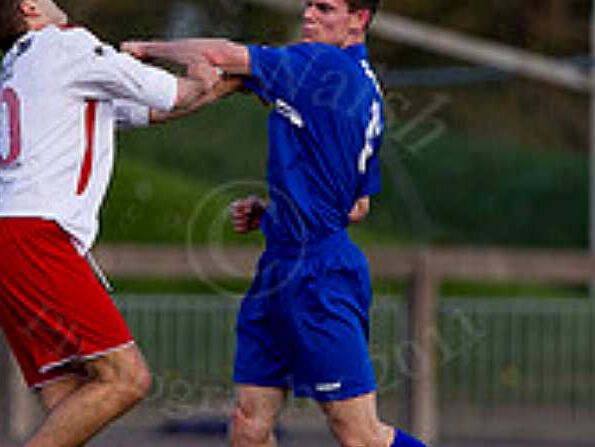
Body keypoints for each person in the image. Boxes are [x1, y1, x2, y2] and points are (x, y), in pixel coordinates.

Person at [121, 1, 428, 446]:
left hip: (321, 274)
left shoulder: (324, 64)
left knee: (359, 434)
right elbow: (357, 206)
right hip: (280, 267)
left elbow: (224, 56)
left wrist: (147, 49)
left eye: (324, 8)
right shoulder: (354, 85)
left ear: (358, 20)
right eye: (307, 5)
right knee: (249, 426)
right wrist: (276, 210)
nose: (308, 15)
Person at [0, 1, 226, 446]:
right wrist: (218, 76)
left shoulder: (25, 63)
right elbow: (174, 94)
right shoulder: (68, 43)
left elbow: (147, 111)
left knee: (73, 404)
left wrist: (215, 88)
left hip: (2, 244)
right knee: (127, 380)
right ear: (30, 7)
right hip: (37, 238)